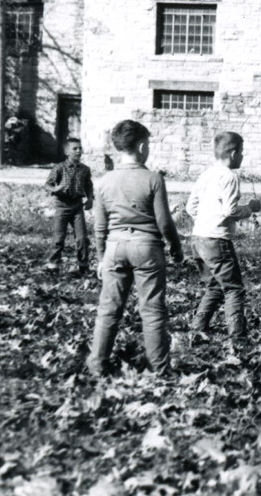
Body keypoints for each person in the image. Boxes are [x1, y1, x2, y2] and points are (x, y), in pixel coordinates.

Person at [87, 120, 184, 376]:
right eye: (147, 145)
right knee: (152, 310)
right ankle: (159, 369)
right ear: (142, 147)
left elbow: (100, 226)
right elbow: (164, 222)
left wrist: (101, 258)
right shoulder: (153, 179)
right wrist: (176, 248)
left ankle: (97, 365)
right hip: (147, 248)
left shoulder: (104, 181)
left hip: (114, 248)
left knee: (109, 309)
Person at [186, 131, 261, 353]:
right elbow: (230, 210)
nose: (242, 157)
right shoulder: (229, 176)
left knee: (214, 286)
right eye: (242, 153)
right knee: (234, 288)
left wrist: (206, 221)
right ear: (234, 153)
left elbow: (191, 207)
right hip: (217, 240)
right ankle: (238, 337)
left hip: (197, 238)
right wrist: (250, 208)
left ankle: (197, 327)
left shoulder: (206, 175)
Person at [44, 138, 94, 274]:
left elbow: (88, 185)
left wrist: (90, 199)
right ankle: (53, 266)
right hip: (62, 206)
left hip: (77, 206)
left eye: (80, 148)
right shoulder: (59, 168)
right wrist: (55, 188)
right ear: (67, 152)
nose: (78, 151)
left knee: (82, 238)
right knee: (58, 238)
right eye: (74, 148)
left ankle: (83, 265)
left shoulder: (85, 169)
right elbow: (48, 184)